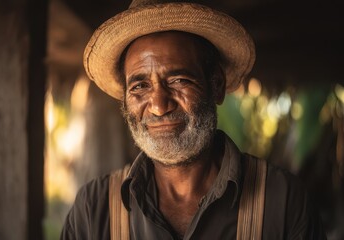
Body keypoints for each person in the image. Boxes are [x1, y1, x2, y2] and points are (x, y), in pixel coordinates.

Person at [60, 0, 326, 239]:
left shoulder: (283, 202)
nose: (159, 106)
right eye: (140, 87)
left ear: (217, 86)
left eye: (178, 80)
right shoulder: (93, 210)